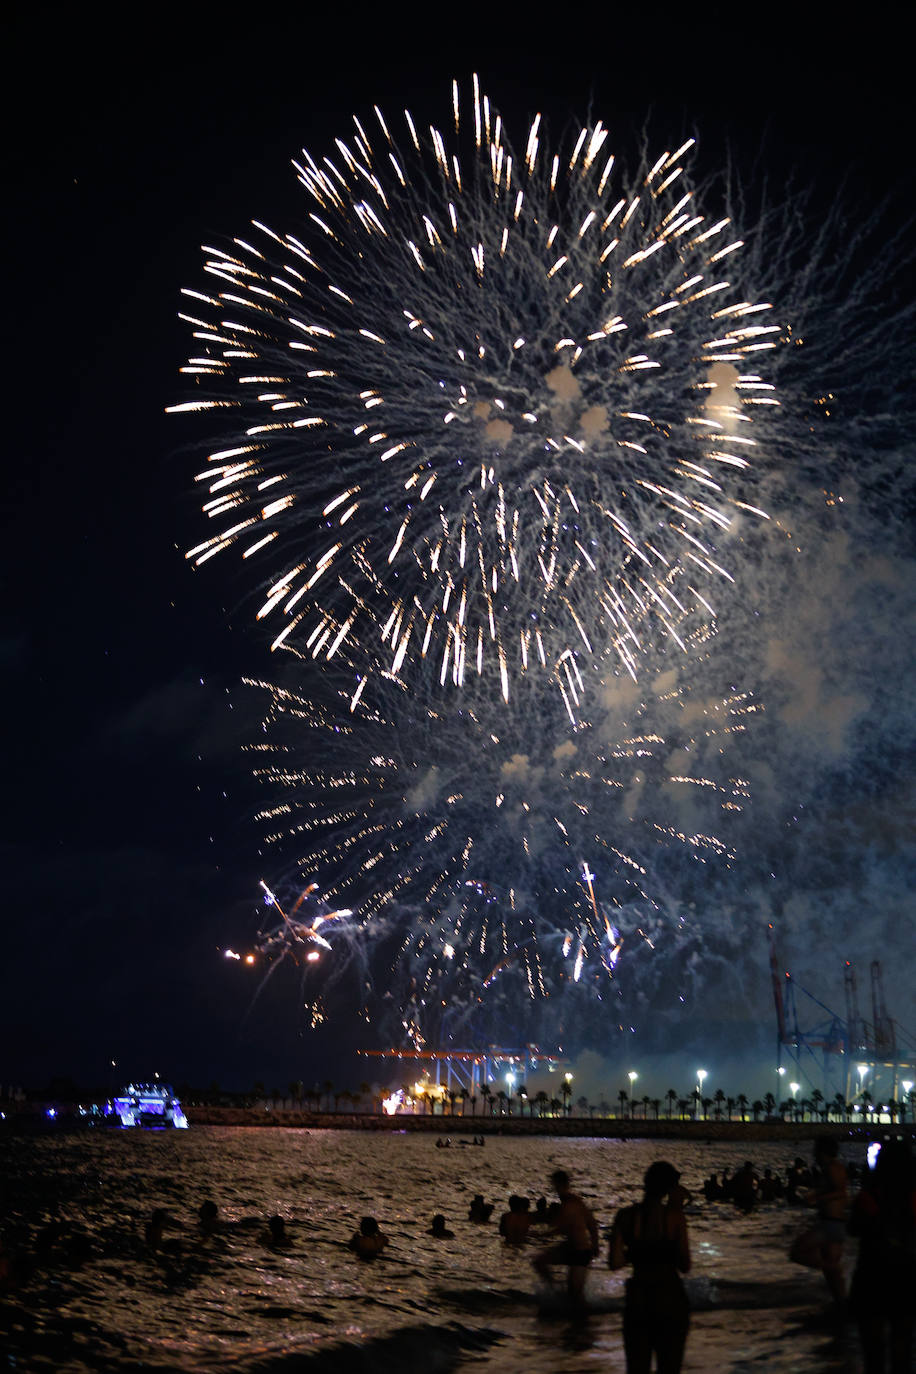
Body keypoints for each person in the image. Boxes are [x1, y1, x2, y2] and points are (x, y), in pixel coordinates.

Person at [608, 1160, 691, 1374]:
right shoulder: (675, 1218)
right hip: (670, 1298)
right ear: (669, 1189)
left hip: (639, 1300)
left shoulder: (625, 1216)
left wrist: (638, 1252)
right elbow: (685, 1265)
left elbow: (615, 1263)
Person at [847, 1138, 916, 1374]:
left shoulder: (869, 1197)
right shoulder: (913, 1199)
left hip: (872, 1277)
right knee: (903, 1349)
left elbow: (853, 1229)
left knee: (873, 1353)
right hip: (907, 1277)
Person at [532, 1169, 599, 1312]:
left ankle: (587, 1320)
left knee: (575, 1296)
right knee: (539, 1262)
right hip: (570, 1247)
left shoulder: (571, 1203)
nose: (554, 1187)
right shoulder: (574, 1202)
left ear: (557, 1184)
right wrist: (596, 1244)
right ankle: (557, 1290)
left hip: (580, 1251)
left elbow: (563, 1227)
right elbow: (592, 1224)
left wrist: (541, 1235)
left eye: (554, 1184)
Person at [807, 1136, 848, 1306]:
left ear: (822, 1151)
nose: (813, 1154)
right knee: (830, 1269)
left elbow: (841, 1192)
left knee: (799, 1251)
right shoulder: (829, 1168)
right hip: (831, 1221)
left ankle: (842, 1300)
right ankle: (841, 1303)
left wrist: (817, 1198)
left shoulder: (833, 1168)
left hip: (832, 1222)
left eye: (815, 1150)